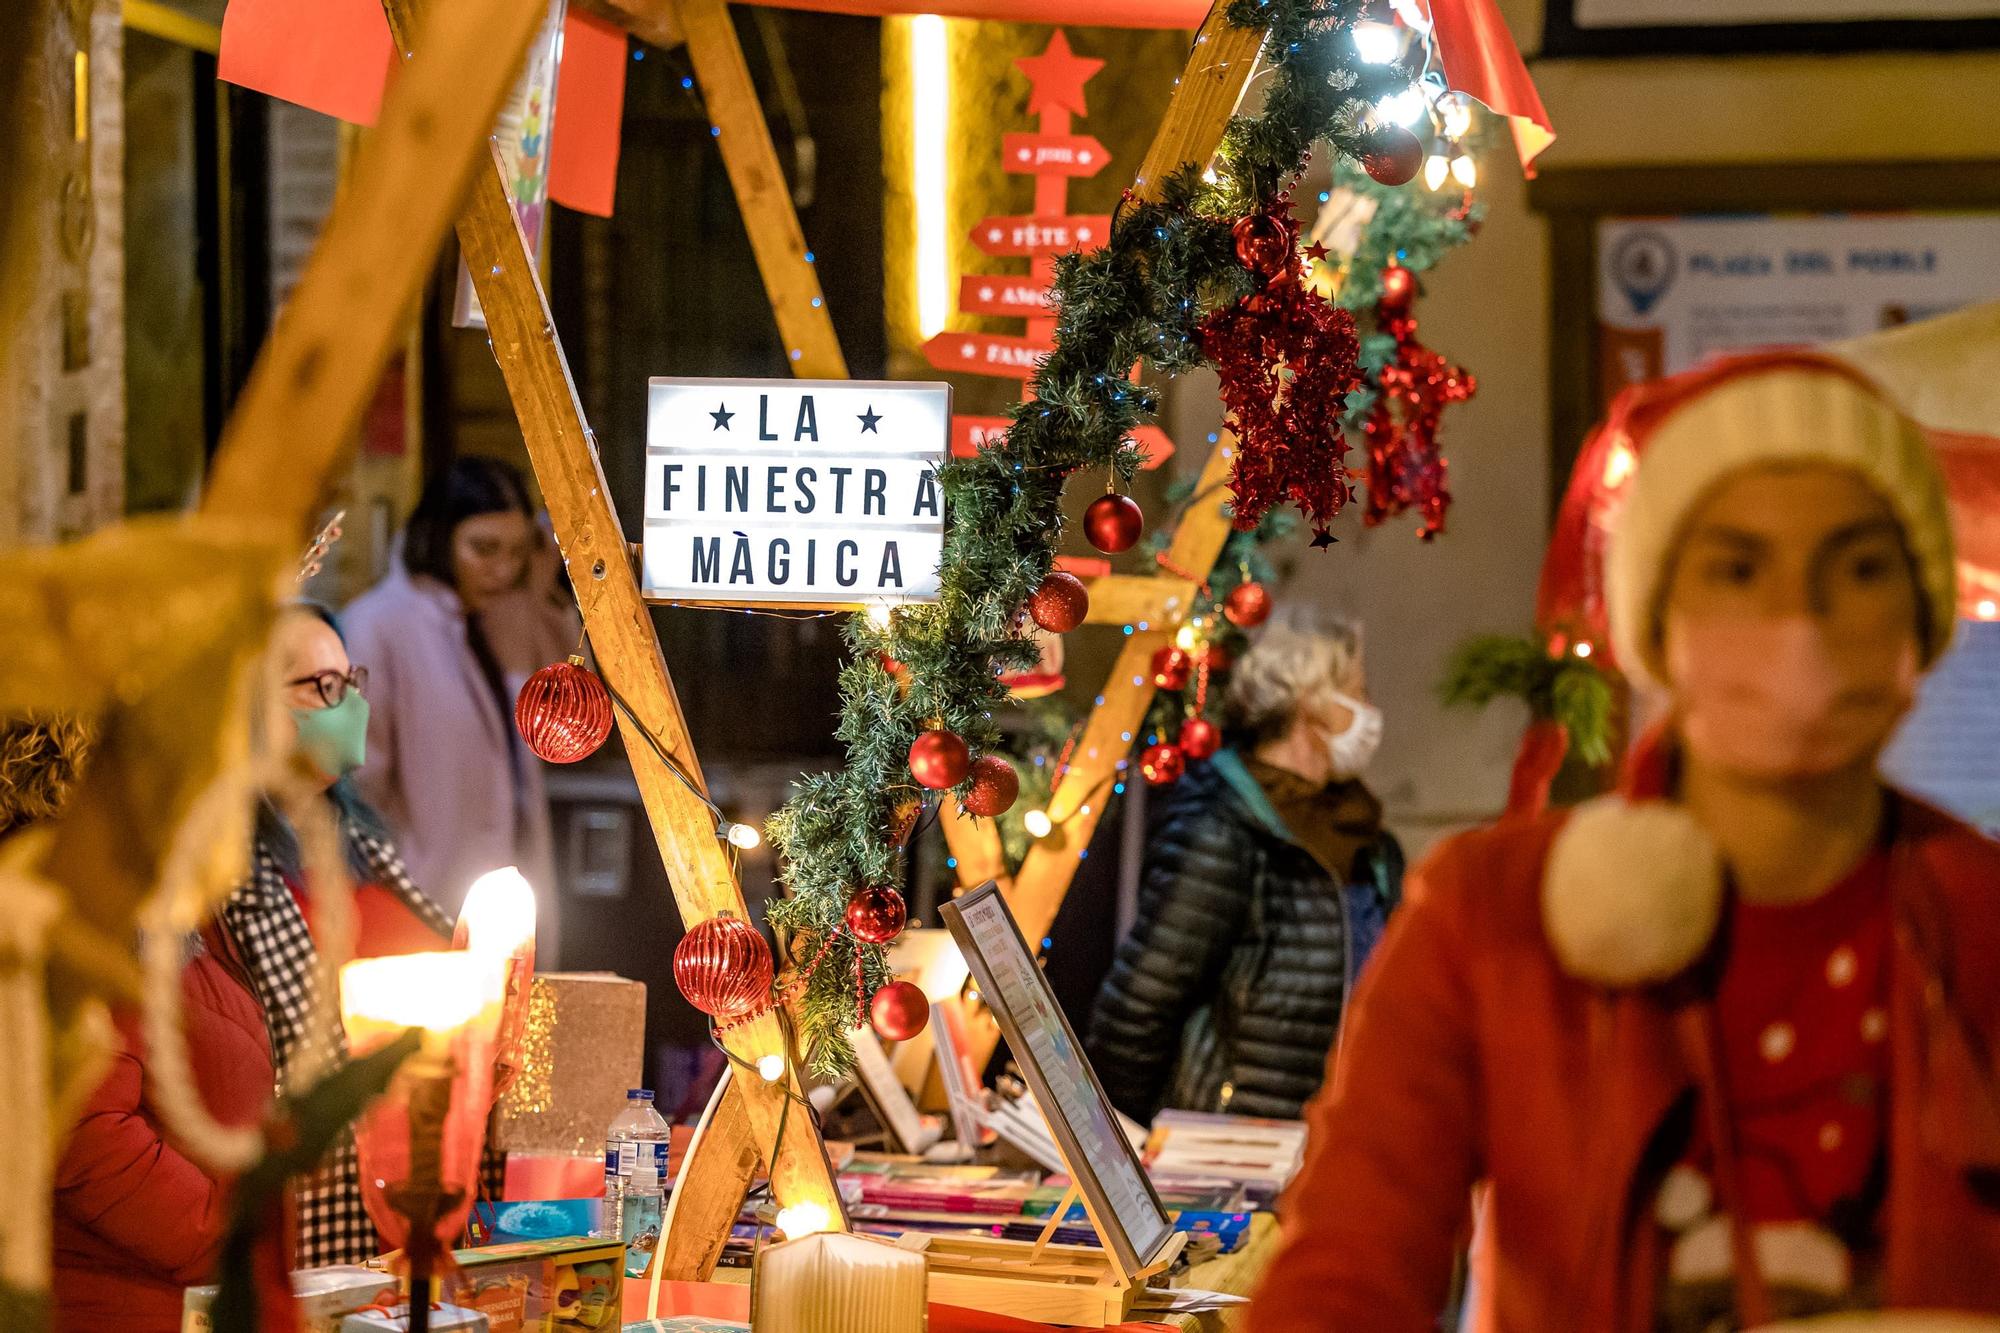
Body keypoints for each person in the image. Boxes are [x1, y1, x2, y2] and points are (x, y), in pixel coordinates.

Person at [1246, 353, 2000, 1332]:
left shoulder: (1982, 917)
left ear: (1923, 610)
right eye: (1735, 567)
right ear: (1657, 616)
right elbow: (1344, 1276)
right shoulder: (1486, 914)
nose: (1797, 620)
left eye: (1857, 566)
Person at [1088, 617, 1403, 1123]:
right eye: (1357, 693)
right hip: (1227, 1156)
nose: (1369, 713)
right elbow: (1139, 1010)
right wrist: (1127, 1153)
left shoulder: (1368, 842)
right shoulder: (1222, 828)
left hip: (1325, 1149)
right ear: (1309, 704)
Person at [344, 456, 569, 945]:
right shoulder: (378, 626)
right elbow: (357, 788)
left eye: (516, 552)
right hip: (415, 911)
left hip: (501, 910)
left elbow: (569, 699)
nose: (502, 569)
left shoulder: (492, 617)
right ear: (439, 538)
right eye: (483, 549)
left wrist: (540, 583)